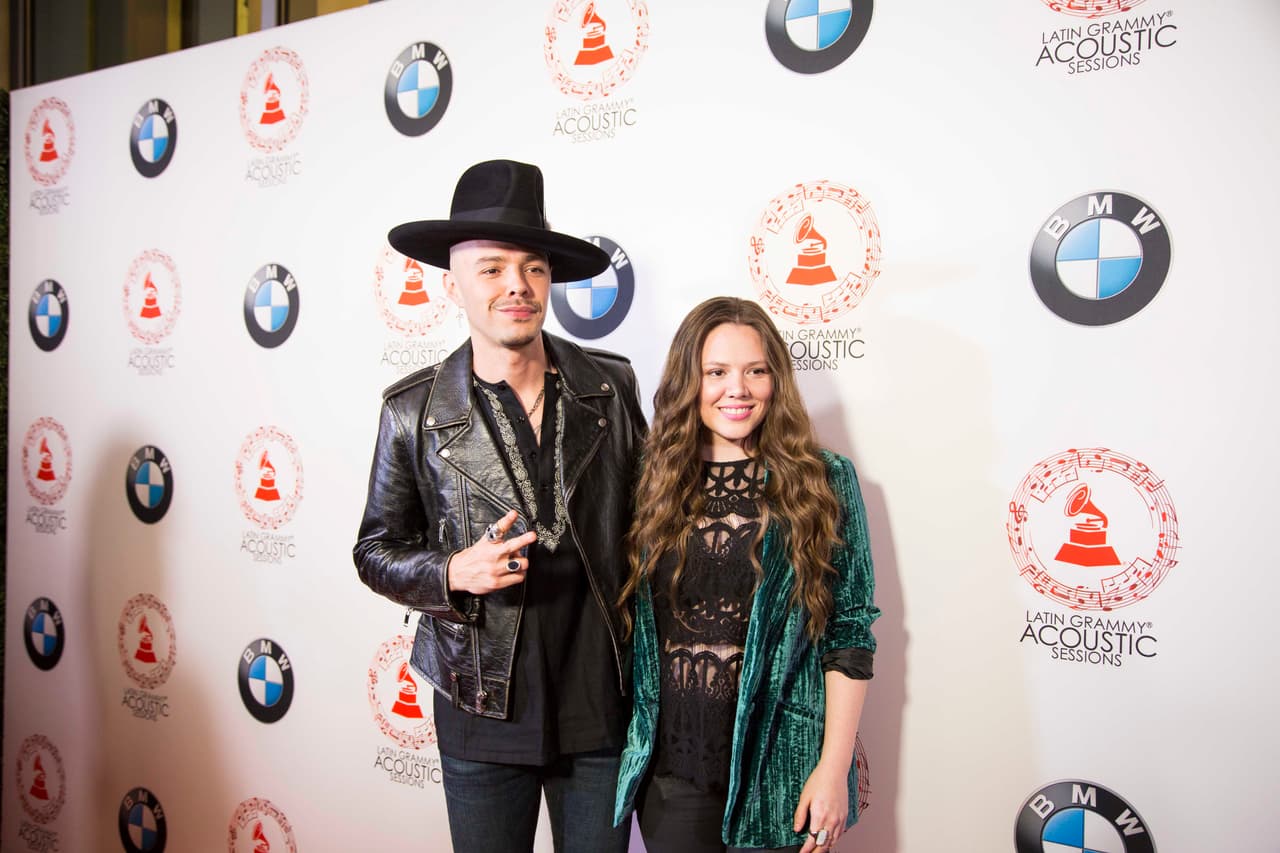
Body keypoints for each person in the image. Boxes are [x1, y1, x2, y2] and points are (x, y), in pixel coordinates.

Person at [354, 159, 646, 853]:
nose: (517, 285)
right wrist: (452, 572)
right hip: (480, 703)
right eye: (492, 269)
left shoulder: (610, 387)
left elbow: (650, 522)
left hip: (601, 701)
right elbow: (375, 550)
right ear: (452, 284)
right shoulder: (413, 411)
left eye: (533, 268)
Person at [614, 297, 879, 853]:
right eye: (716, 372)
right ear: (689, 381)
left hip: (781, 775)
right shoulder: (650, 480)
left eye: (756, 371)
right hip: (672, 777)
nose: (737, 389)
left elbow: (850, 632)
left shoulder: (825, 480)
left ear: (776, 380)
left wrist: (833, 770)